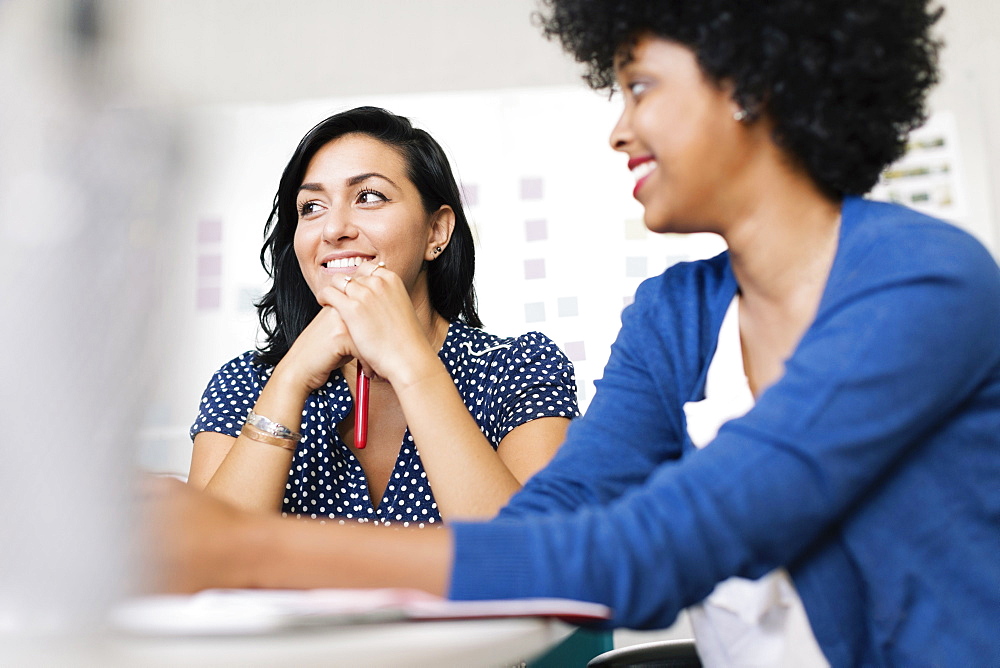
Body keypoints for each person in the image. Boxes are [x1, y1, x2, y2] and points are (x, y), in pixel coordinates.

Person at [151, 2, 1000, 665]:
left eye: (640, 87)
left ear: (749, 82)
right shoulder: (674, 318)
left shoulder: (924, 282)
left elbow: (655, 549)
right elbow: (535, 537)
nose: (619, 130)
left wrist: (250, 548)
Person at [187, 106, 578, 523]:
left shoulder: (520, 370)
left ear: (436, 232)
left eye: (369, 197)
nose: (333, 229)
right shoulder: (244, 384)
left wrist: (411, 363)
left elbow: (529, 557)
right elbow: (203, 561)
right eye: (312, 207)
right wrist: (291, 376)